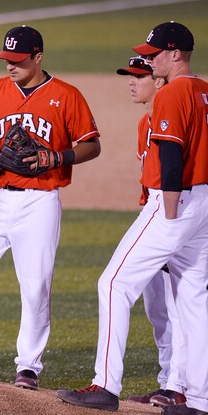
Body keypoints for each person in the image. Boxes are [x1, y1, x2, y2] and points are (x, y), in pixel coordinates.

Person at [0, 25, 101, 390]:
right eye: (6, 59)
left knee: (36, 285)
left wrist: (57, 156)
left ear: (38, 57)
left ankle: (29, 367)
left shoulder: (66, 95)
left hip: (39, 202)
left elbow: (92, 145)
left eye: (18, 60)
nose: (10, 66)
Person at [57, 22, 208, 415]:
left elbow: (172, 157)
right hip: (205, 205)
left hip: (176, 201)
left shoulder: (174, 92)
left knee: (113, 284)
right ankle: (200, 400)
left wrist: (170, 215)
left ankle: (105, 386)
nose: (150, 59)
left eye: (155, 53)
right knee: (193, 299)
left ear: (176, 54)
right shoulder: (205, 90)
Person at [116, 56, 187, 407]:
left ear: (159, 81)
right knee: (157, 308)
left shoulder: (176, 117)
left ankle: (181, 386)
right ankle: (168, 382)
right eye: (130, 76)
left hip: (175, 219)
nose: (132, 82)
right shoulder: (145, 123)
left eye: (139, 76)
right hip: (153, 215)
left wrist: (170, 225)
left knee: (180, 308)